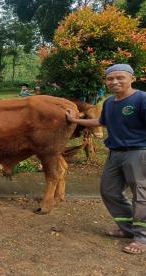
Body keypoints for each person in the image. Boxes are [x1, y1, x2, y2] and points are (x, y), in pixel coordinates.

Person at [66, 64, 146, 254]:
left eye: (120, 78)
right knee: (108, 191)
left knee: (141, 195)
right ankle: (127, 229)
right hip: (115, 153)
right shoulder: (110, 102)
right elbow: (101, 122)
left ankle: (142, 238)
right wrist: (75, 121)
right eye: (110, 79)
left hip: (139, 152)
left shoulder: (142, 99)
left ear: (132, 79)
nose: (114, 81)